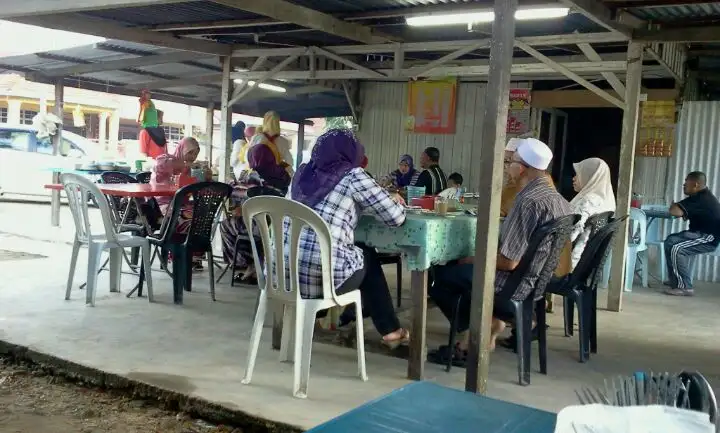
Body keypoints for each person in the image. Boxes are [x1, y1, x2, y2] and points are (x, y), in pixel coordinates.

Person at [428, 138, 573, 364]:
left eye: (510, 162)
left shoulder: (527, 200)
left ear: (522, 168)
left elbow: (509, 262)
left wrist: (470, 259)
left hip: (512, 285)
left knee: (442, 278)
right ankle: (488, 326)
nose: (507, 167)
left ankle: (473, 341)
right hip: (536, 284)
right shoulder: (560, 200)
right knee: (462, 271)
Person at [287, 129, 409, 346]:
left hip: (282, 276)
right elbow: (396, 218)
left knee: (344, 251)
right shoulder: (353, 175)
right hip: (319, 279)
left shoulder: (302, 174)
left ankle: (319, 318)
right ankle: (390, 331)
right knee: (366, 256)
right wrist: (391, 198)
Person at [220, 140, 292, 284]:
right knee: (243, 223)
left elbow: (237, 193)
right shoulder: (284, 175)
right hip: (278, 225)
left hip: (258, 225)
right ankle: (258, 264)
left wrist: (231, 184)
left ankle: (245, 266)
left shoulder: (253, 175)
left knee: (227, 225)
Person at [151, 137, 211, 270]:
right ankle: (180, 254)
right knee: (188, 217)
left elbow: (198, 189)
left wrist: (206, 176)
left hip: (181, 206)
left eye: (196, 153)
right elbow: (159, 166)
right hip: (162, 205)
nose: (193, 156)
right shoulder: (165, 158)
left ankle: (193, 256)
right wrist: (184, 164)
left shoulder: (192, 170)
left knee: (201, 216)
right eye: (190, 152)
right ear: (181, 149)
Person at [663, 171, 720, 296]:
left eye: (686, 182)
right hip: (698, 234)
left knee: (676, 247)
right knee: (670, 240)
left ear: (695, 184)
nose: (683, 185)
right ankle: (676, 280)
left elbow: (675, 211)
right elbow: (678, 210)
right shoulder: (698, 197)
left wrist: (674, 205)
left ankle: (685, 287)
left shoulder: (702, 198)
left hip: (708, 238)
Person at [569, 158, 616, 269]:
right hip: (586, 262)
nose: (573, 179)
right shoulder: (607, 200)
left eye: (578, 175)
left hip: (570, 261)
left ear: (591, 177)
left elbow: (571, 236)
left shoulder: (588, 201)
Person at [250, 111, 294, 176]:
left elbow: (248, 157)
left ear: (264, 122)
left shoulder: (256, 138)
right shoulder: (283, 141)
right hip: (275, 177)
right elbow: (290, 161)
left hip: (259, 175)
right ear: (278, 123)